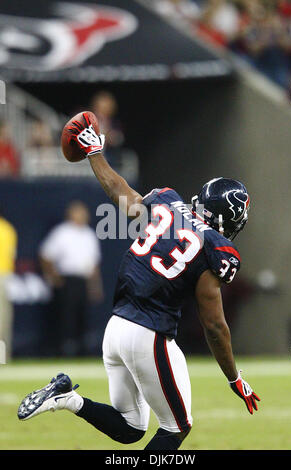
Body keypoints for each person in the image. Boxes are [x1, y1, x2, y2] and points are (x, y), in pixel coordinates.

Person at [18, 114, 260, 450]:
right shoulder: (216, 248)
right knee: (177, 428)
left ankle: (66, 398)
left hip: (115, 328)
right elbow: (214, 324)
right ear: (228, 217)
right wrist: (235, 378)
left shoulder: (168, 203)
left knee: (131, 428)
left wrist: (94, 152)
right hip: (150, 334)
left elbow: (122, 194)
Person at [39, 201, 103, 356]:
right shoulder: (62, 232)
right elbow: (45, 255)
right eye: (79, 212)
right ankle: (63, 351)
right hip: (66, 280)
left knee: (82, 317)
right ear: (70, 214)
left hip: (82, 281)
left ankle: (80, 351)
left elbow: (94, 264)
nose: (83, 215)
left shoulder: (89, 234)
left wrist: (95, 286)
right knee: (66, 317)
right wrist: (53, 277)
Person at [0, 211, 17, 361]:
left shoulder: (5, 230)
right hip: (4, 276)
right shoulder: (8, 229)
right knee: (3, 319)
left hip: (2, 275)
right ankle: (2, 357)